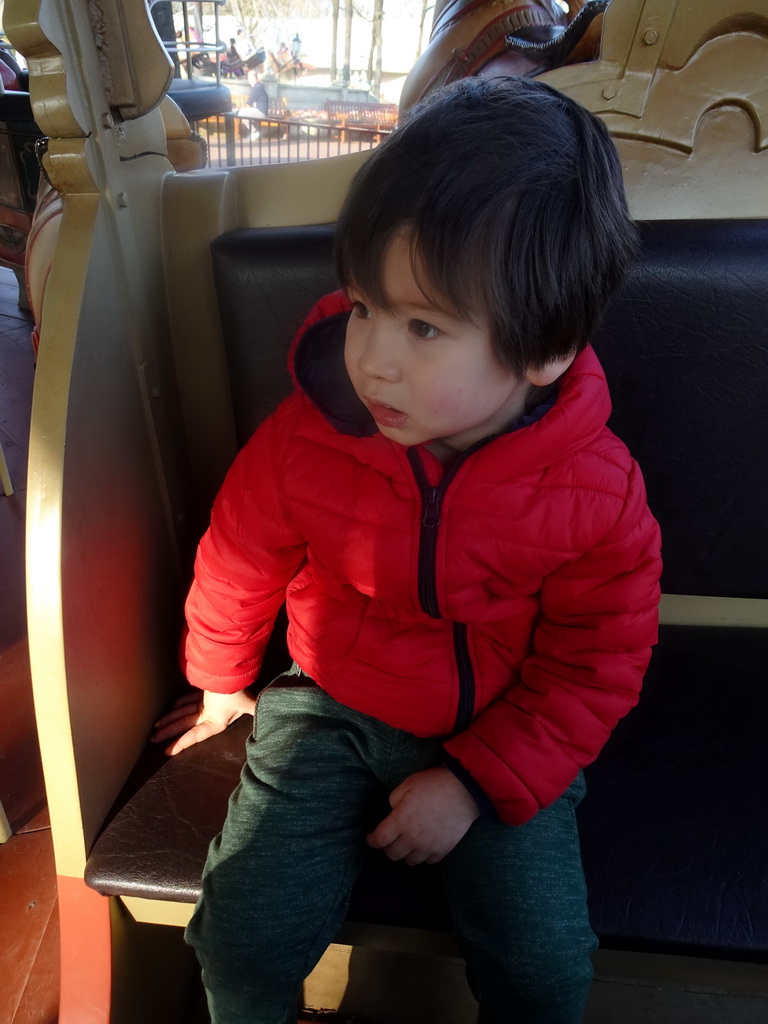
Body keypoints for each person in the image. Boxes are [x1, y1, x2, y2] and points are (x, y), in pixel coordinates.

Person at [153, 76, 662, 1024]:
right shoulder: (314, 434)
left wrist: (472, 784)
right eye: (364, 308)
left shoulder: (596, 493)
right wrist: (222, 683)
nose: (375, 359)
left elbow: (597, 661)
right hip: (327, 707)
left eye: (424, 327)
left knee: (545, 972)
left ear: (545, 349)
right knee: (238, 938)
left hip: (502, 725)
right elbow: (239, 554)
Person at [236, 66, 268, 140]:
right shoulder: (259, 86)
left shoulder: (257, 87)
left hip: (261, 112)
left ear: (253, 78)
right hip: (260, 110)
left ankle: (254, 132)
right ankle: (254, 132)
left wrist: (240, 108)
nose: (249, 80)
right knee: (242, 112)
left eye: (249, 78)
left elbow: (249, 102)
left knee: (241, 114)